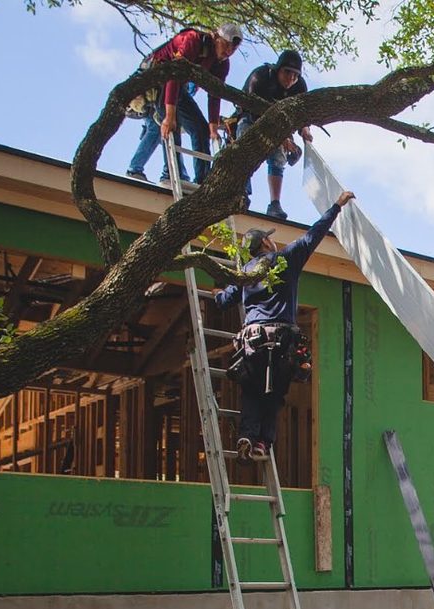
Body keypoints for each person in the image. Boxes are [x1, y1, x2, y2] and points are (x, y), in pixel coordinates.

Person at [215, 190, 355, 462]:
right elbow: (312, 235)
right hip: (281, 341)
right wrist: (336, 206)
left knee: (253, 390)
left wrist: (218, 293)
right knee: (275, 393)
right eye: (269, 238)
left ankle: (247, 434)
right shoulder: (285, 260)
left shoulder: (245, 273)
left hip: (252, 340)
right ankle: (262, 444)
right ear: (265, 244)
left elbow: (224, 300)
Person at [145, 24, 243, 185]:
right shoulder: (193, 40)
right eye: (226, 45)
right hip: (161, 79)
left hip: (179, 87)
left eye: (233, 49)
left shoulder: (222, 63)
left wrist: (212, 127)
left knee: (201, 129)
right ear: (216, 37)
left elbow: (215, 94)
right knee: (171, 126)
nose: (228, 51)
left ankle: (203, 181)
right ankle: (170, 174)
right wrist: (169, 116)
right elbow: (173, 75)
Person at [235, 49, 313, 219]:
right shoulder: (260, 78)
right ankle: (241, 193)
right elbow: (255, 111)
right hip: (251, 118)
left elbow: (303, 113)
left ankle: (274, 204)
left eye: (295, 75)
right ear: (278, 69)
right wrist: (281, 137)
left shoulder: (299, 87)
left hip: (280, 127)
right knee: (246, 147)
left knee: (279, 157)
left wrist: (304, 129)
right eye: (287, 73)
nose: (291, 79)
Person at [126, 84, 195, 185]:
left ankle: (176, 173)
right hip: (155, 102)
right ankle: (174, 174)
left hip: (157, 102)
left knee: (163, 133)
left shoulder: (192, 83)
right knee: (160, 131)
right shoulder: (190, 79)